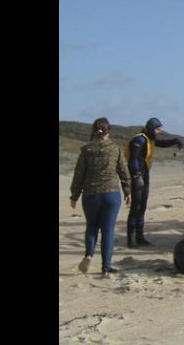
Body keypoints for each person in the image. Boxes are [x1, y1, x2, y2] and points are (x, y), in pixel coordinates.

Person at [70, 117, 132, 277]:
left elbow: (79, 174)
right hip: (111, 194)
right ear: (108, 131)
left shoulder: (86, 150)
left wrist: (74, 195)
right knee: (108, 230)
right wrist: (128, 191)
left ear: (93, 130)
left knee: (91, 227)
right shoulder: (115, 148)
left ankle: (89, 255)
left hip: (91, 194)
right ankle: (106, 267)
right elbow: (124, 171)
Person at [125, 117, 183, 248]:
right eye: (158, 129)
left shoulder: (149, 139)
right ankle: (131, 239)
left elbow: (161, 144)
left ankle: (140, 237)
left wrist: (174, 141)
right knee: (136, 207)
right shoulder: (139, 140)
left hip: (145, 175)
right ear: (151, 129)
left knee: (143, 206)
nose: (160, 131)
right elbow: (133, 159)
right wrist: (136, 176)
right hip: (137, 176)